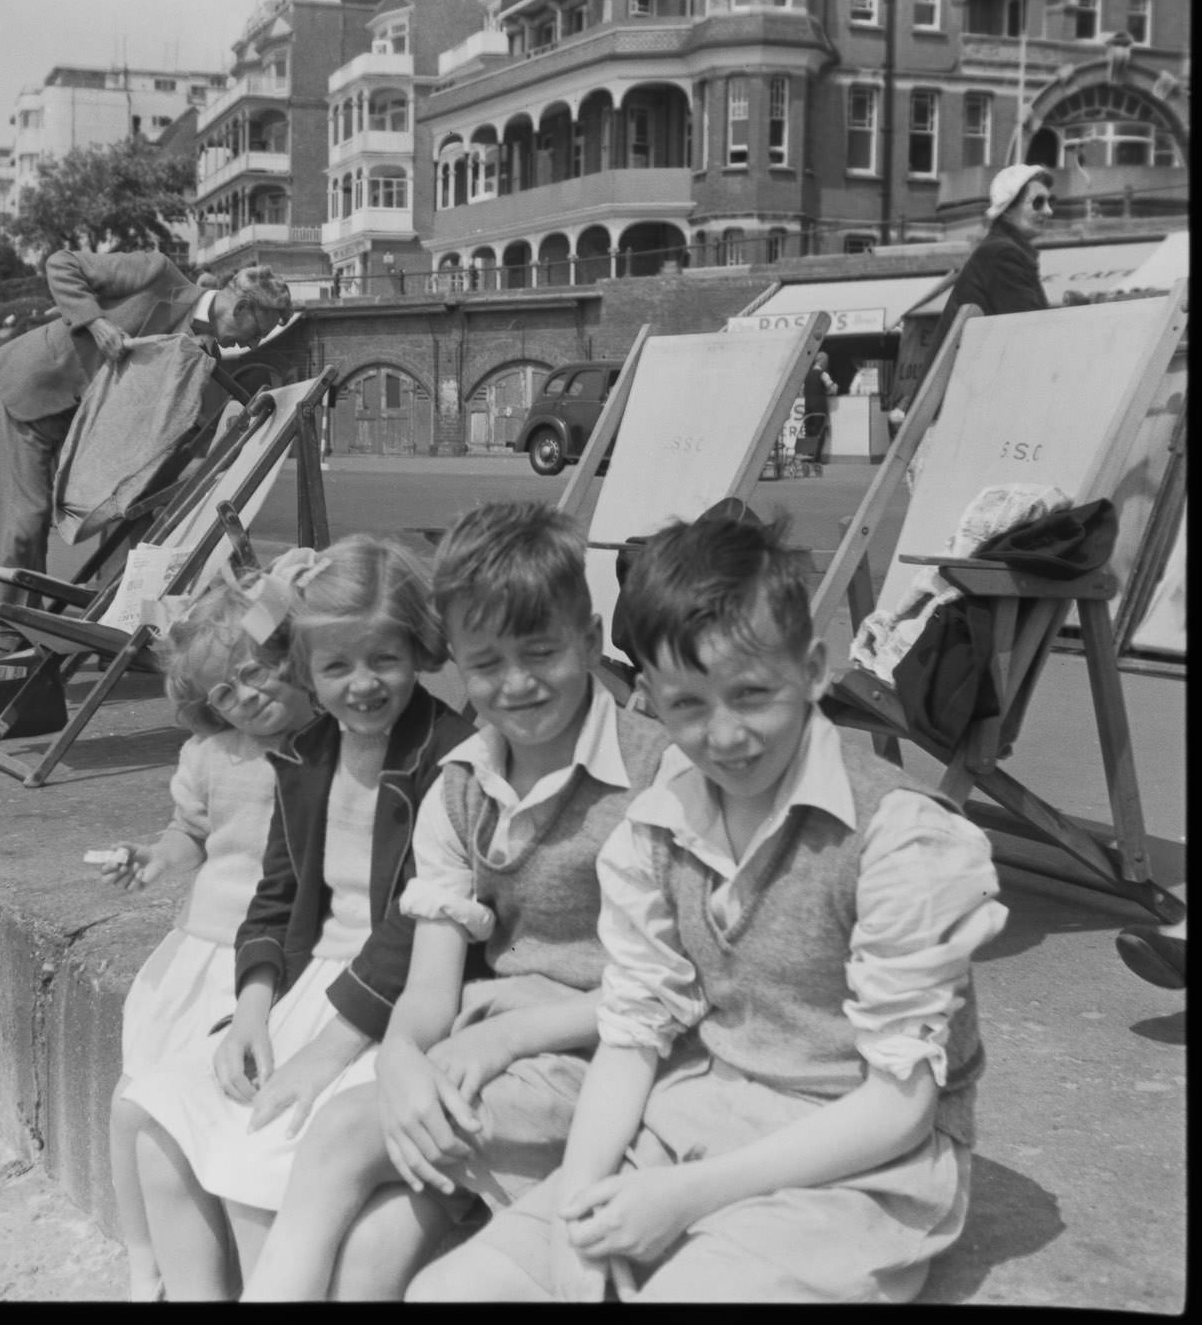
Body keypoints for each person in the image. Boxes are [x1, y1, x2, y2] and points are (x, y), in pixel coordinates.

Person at [410, 514, 1009, 1303]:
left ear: (815, 669)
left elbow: (900, 1106)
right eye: (689, 705)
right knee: (452, 1292)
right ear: (651, 699)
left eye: (753, 694)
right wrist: (576, 1214)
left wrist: (684, 1200)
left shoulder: (901, 838)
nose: (725, 736)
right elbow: (631, 1036)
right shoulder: (659, 820)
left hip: (853, 1167)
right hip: (686, 1121)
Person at [245, 502, 671, 1302]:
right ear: (459, 665)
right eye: (486, 664)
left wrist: (506, 1037)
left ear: (590, 635)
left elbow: (682, 983)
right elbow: (431, 985)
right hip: (496, 1062)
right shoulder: (463, 787)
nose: (516, 684)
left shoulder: (657, 781)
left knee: (340, 1133)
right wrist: (404, 1059)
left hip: (618, 1059)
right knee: (371, 1251)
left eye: (541, 651)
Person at [119, 533, 472, 1301]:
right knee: (157, 1121)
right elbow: (275, 895)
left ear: (419, 650)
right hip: (304, 988)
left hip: (387, 1002)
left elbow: (416, 925)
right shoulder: (309, 752)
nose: (364, 685)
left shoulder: (450, 755)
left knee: (261, 1159)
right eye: (336, 666)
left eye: (385, 659)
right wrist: (250, 1008)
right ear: (306, 671)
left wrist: (322, 1053)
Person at [95, 571, 318, 1301]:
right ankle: (145, 1258)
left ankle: (209, 1264)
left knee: (205, 1104)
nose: (247, 696)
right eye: (225, 691)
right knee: (132, 1102)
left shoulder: (327, 743)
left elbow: (295, 604)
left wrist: (282, 594)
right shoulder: (212, 757)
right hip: (201, 950)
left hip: (269, 958)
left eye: (256, 673)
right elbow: (190, 834)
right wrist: (155, 859)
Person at [0, 253, 294, 618]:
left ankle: (109, 617)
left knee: (134, 502)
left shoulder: (206, 348)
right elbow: (61, 264)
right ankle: (1, 636)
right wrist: (97, 324)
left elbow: (186, 420)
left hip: (94, 426)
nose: (254, 345)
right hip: (40, 391)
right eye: (257, 333)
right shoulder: (157, 274)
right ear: (240, 307)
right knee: (26, 521)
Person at [891, 164, 1054, 428]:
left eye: (1050, 201)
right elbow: (1031, 333)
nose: (1048, 211)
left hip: (965, 406)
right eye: (1038, 202)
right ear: (1009, 207)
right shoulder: (1003, 255)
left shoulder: (1002, 250)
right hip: (966, 413)